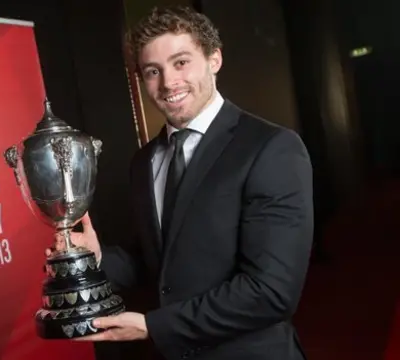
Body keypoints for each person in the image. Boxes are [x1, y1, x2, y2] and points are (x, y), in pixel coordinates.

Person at [48, 5, 314, 360]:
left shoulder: (271, 148)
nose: (169, 83)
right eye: (152, 71)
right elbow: (160, 259)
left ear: (214, 59)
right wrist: (95, 260)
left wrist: (154, 327)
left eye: (181, 62)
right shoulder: (145, 161)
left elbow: (270, 291)